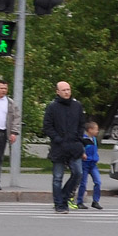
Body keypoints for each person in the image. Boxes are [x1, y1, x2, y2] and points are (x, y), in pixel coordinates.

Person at [42, 80, 86, 213]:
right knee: (57, 177)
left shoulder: (77, 106)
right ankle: (59, 204)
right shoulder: (52, 107)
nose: (67, 92)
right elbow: (47, 126)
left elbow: (81, 124)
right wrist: (57, 138)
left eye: (68, 89)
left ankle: (64, 196)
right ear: (58, 92)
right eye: (64, 90)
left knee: (78, 173)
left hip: (74, 146)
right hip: (59, 147)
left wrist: (78, 138)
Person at [76, 121, 103, 210]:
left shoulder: (94, 139)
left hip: (93, 164)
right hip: (85, 163)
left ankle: (95, 201)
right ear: (90, 130)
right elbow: (80, 149)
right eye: (96, 129)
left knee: (98, 182)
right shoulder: (84, 139)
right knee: (83, 183)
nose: (97, 131)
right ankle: (79, 201)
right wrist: (82, 154)